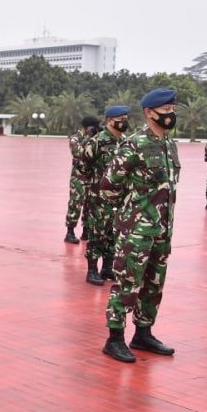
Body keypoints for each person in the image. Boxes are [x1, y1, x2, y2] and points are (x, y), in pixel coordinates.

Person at [100, 88, 179, 363]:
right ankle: (115, 338)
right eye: (166, 111)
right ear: (149, 113)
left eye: (172, 110)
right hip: (136, 230)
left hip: (162, 230)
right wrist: (131, 213)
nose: (171, 115)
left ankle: (143, 333)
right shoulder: (133, 144)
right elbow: (109, 186)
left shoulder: (169, 145)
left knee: (154, 284)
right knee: (126, 283)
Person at [81, 106, 129, 285]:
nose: (125, 121)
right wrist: (96, 183)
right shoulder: (98, 141)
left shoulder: (124, 141)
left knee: (114, 232)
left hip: (120, 196)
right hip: (99, 196)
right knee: (97, 232)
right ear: (110, 120)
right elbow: (84, 165)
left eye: (126, 117)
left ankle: (107, 268)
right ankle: (92, 270)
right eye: (121, 118)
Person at [65, 115, 100, 244]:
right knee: (75, 204)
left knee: (90, 206)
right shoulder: (75, 138)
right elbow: (79, 153)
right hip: (79, 178)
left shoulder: (96, 138)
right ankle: (70, 232)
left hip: (92, 177)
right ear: (87, 127)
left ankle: (86, 230)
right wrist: (89, 138)